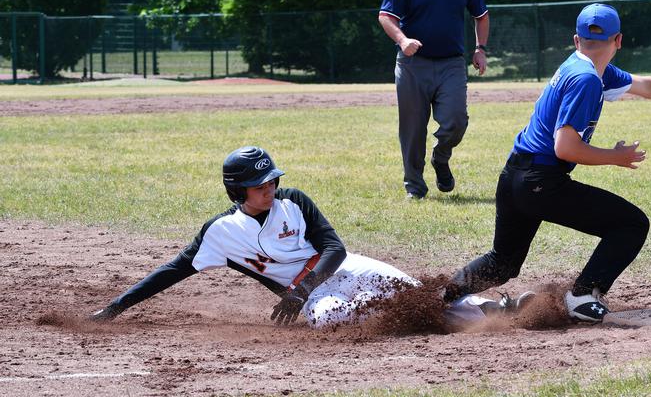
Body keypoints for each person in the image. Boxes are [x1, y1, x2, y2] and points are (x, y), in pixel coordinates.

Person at [442, 3, 651, 324]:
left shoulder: (585, 67)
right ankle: (584, 295)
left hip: (514, 176)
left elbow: (645, 85)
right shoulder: (587, 78)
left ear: (576, 40)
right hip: (541, 181)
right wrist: (615, 157)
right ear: (619, 41)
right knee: (630, 224)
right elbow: (565, 146)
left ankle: (440, 299)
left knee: (503, 262)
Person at [89, 146, 518, 328]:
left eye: (271, 181)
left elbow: (335, 249)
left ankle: (501, 309)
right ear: (237, 191)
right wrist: (115, 307)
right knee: (328, 319)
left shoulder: (293, 201)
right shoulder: (221, 233)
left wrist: (298, 288)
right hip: (315, 299)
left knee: (413, 293)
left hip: (343, 270)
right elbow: (172, 271)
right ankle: (409, 323)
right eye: (259, 186)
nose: (269, 189)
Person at [378, 0, 489, 199]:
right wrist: (403, 41)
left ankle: (441, 157)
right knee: (413, 130)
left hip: (451, 63)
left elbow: (481, 15)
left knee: (456, 120)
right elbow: (385, 15)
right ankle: (415, 187)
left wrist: (480, 48)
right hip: (413, 65)